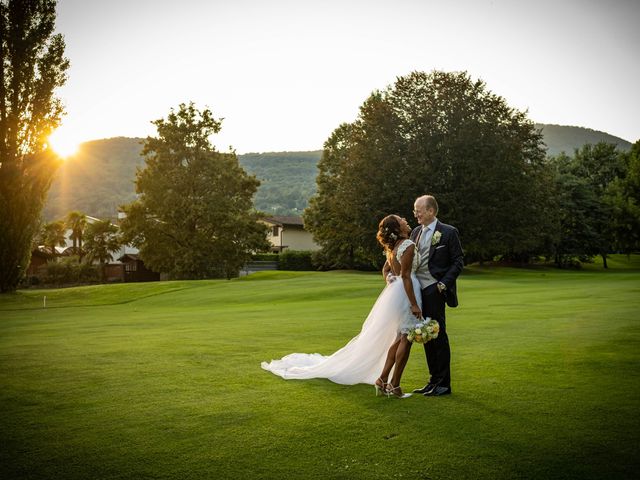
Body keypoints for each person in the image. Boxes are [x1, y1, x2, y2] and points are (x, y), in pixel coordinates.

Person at [261, 215, 422, 398]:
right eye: (401, 220)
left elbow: (387, 270)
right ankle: (393, 384)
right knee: (405, 338)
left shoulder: (392, 248)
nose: (404, 220)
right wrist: (414, 304)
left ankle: (385, 380)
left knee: (400, 337)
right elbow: (407, 276)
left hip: (397, 293)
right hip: (407, 292)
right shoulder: (407, 245)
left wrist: (391, 280)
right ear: (397, 228)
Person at [410, 195, 464, 397]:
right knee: (425, 336)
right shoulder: (415, 232)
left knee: (438, 335)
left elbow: (458, 261)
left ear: (431, 211)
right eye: (415, 210)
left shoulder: (448, 232)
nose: (416, 213)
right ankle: (433, 381)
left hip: (435, 288)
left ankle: (444, 383)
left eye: (419, 210)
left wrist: (443, 285)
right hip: (418, 291)